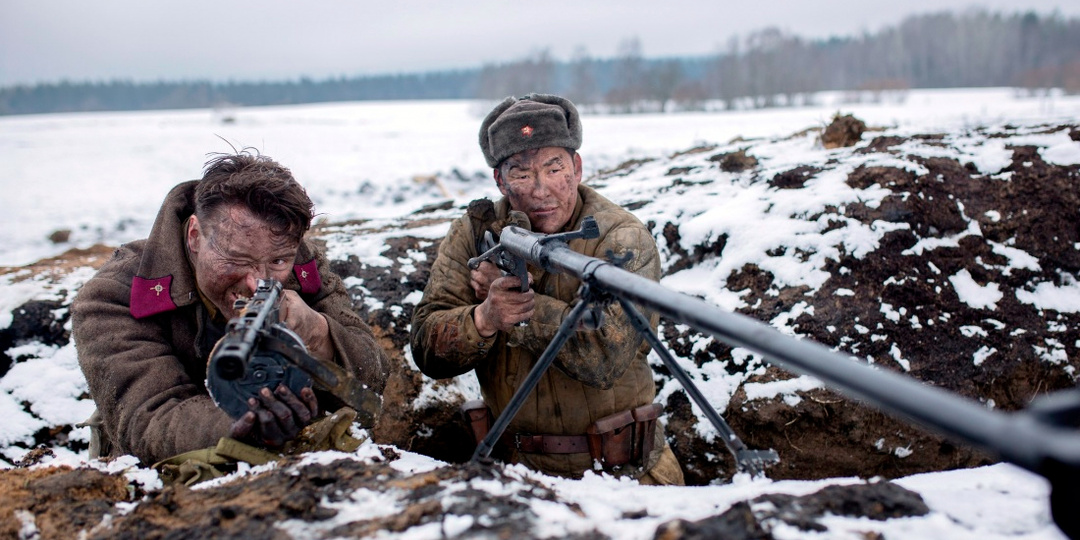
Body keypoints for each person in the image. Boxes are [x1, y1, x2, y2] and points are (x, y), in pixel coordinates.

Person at [410, 94, 684, 484]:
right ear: (500, 180)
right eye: (521, 173)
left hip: (624, 474)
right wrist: (484, 318)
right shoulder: (474, 233)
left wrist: (526, 309)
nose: (540, 190)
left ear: (577, 168)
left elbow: (604, 359)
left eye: (554, 168)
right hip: (512, 475)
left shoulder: (621, 238)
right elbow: (426, 349)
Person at [72, 151, 389, 467]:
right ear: (195, 236)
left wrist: (319, 334)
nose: (257, 282)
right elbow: (150, 424)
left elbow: (372, 381)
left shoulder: (303, 265)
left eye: (277, 261)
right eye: (237, 260)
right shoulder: (114, 297)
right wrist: (252, 421)